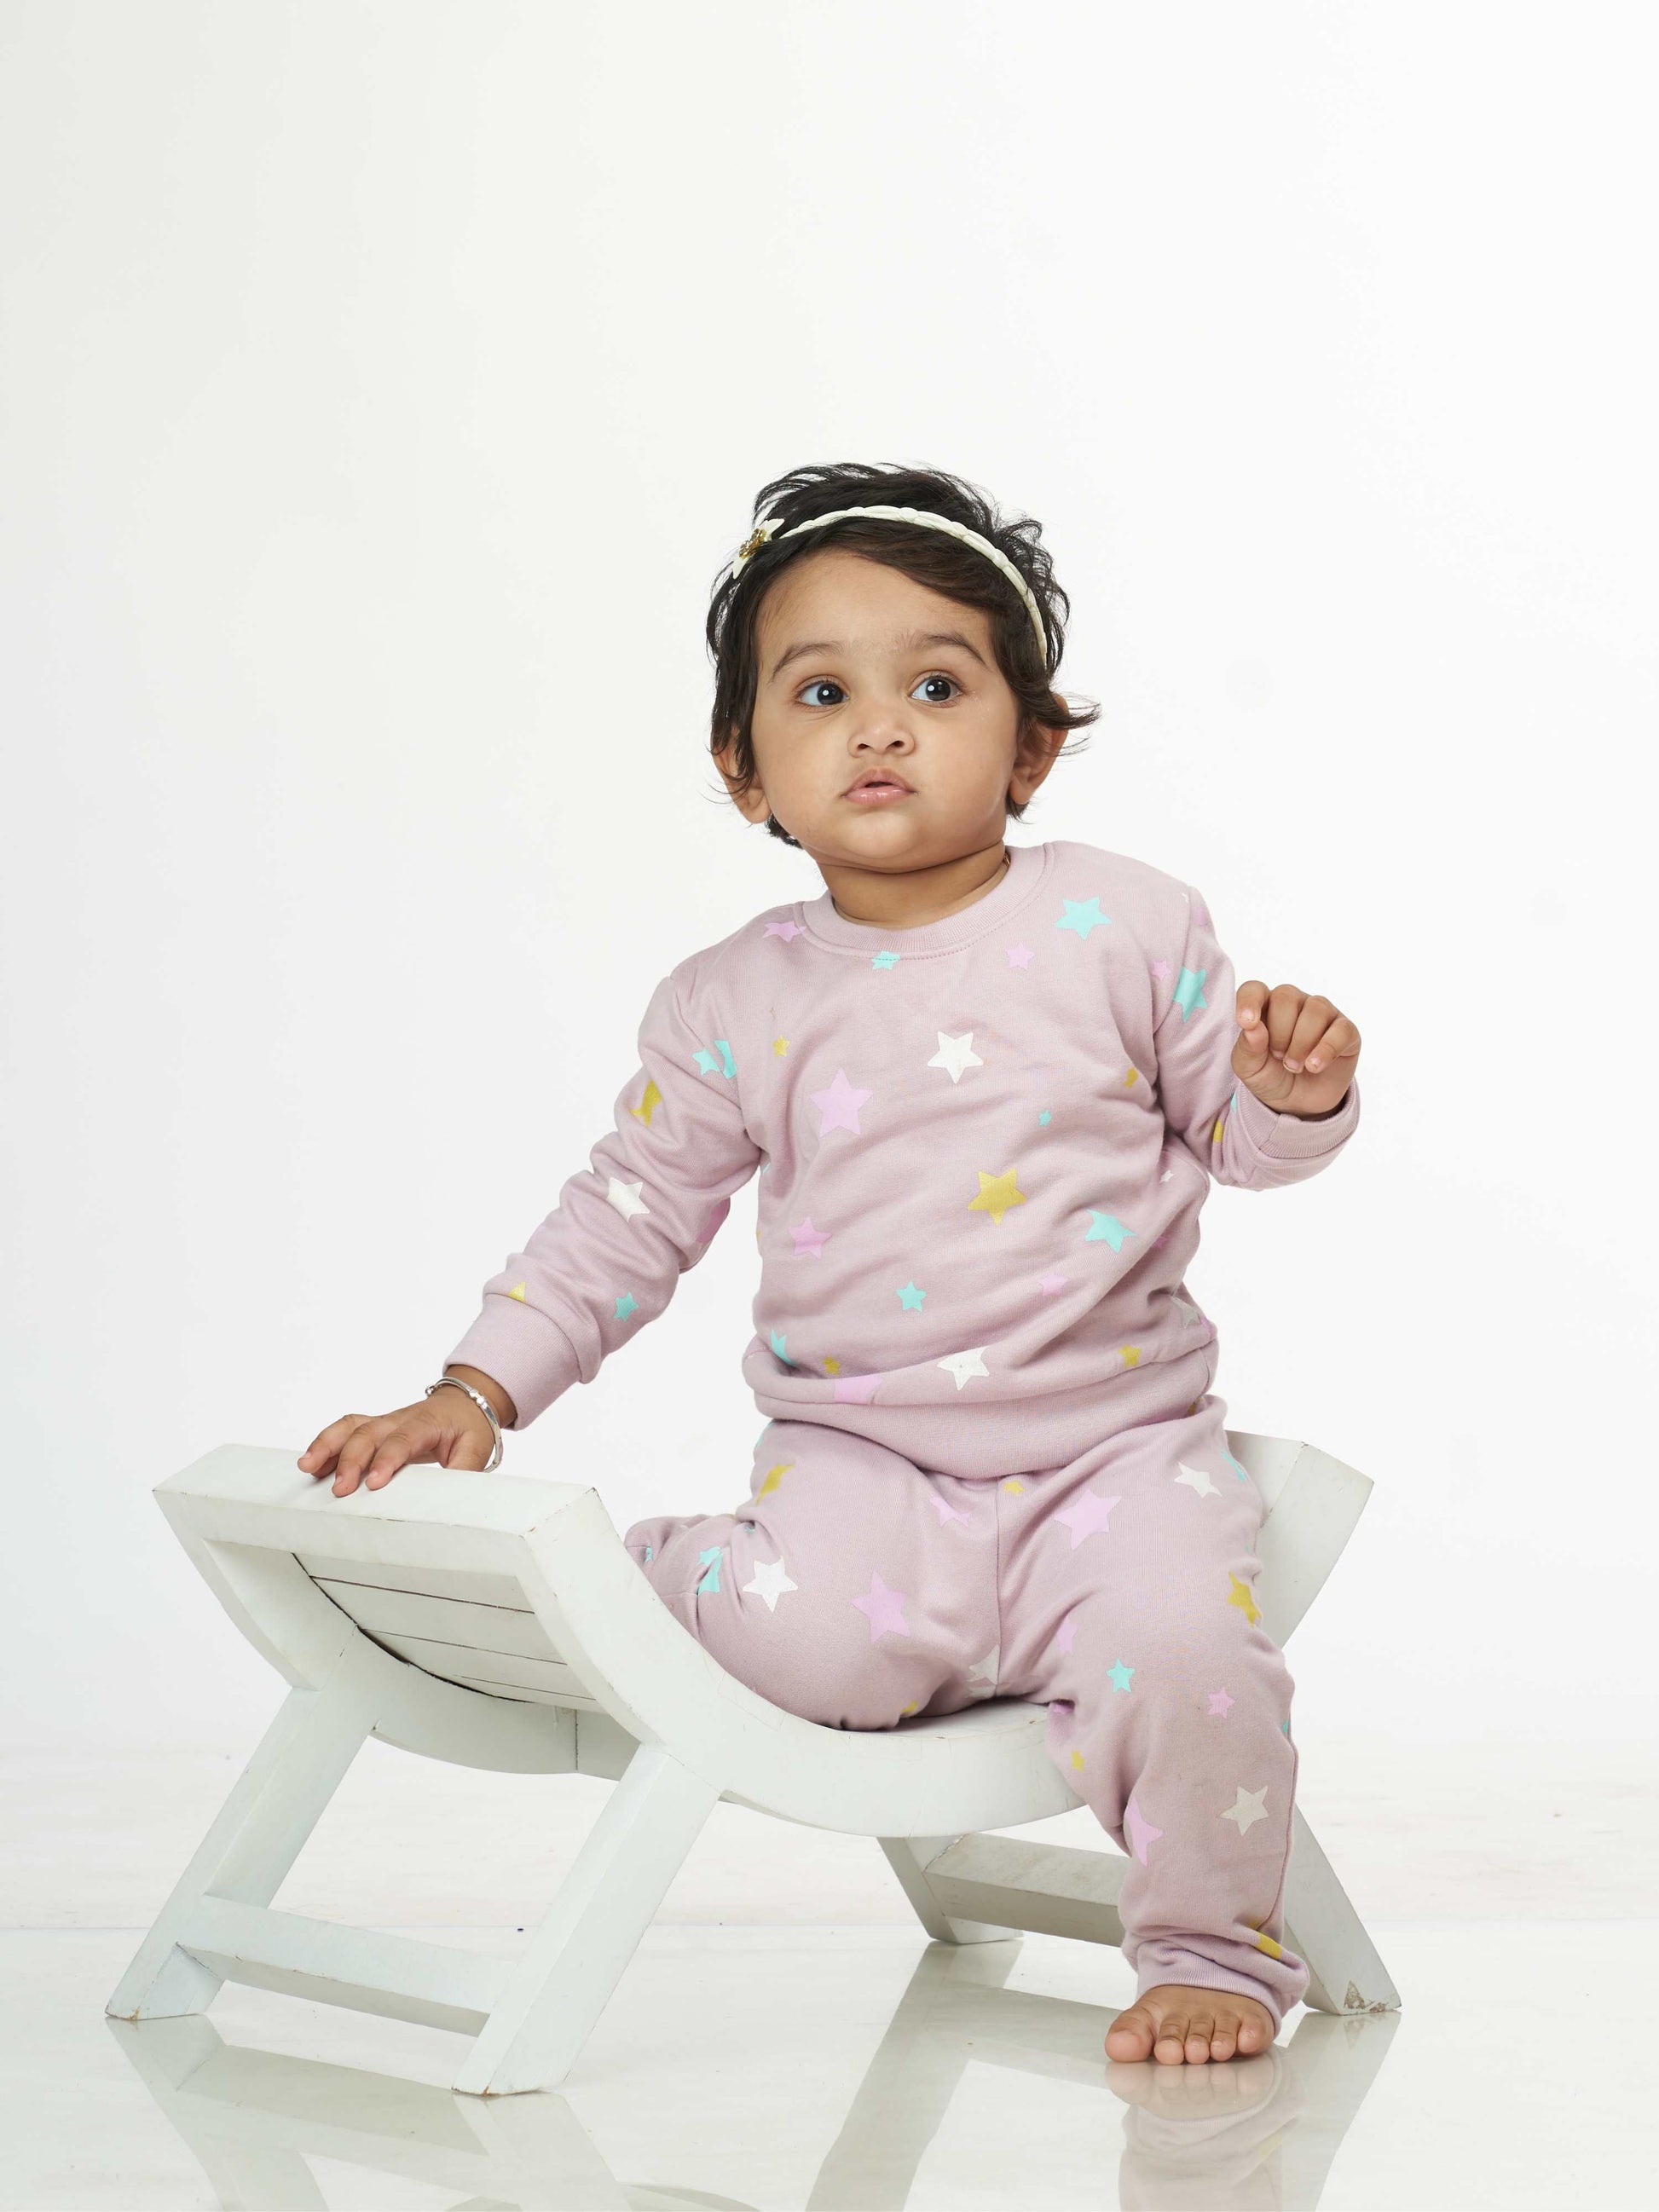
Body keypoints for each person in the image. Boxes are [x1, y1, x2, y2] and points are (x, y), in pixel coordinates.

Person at [298, 462, 1363, 2067]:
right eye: (821, 694)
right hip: (864, 1467)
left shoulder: (1125, 924)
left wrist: (1292, 1094)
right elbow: (628, 1212)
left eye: (936, 687)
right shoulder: (731, 1000)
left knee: (1192, 1657)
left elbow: (1238, 1138)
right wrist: (474, 1391)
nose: (880, 729)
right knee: (811, 1649)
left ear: (1031, 747)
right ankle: (653, 1576)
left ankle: (1209, 1953)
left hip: (1118, 1457)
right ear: (745, 771)